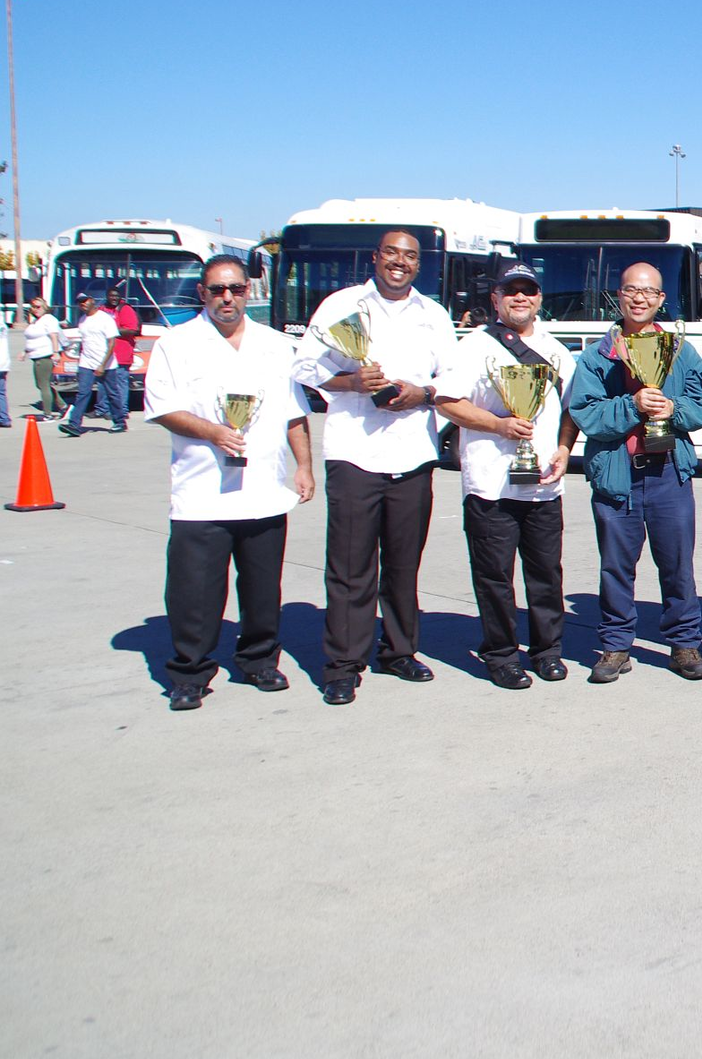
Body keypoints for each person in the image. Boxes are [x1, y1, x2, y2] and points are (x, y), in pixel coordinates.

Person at [142, 255, 316, 710]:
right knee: (194, 592)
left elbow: (294, 412)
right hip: (202, 494)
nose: (227, 298)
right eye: (217, 290)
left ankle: (259, 661)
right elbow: (163, 408)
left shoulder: (276, 345)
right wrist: (214, 432)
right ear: (202, 293)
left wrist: (303, 466)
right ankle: (190, 673)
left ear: (247, 292)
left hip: (262, 490)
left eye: (236, 290)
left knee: (262, 588)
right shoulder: (176, 344)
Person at [292, 229, 457, 706]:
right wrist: (351, 381)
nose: (399, 263)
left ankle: (399, 650)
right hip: (354, 454)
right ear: (376, 258)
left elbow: (451, 380)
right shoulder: (342, 305)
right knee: (350, 567)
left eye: (409, 256)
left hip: (413, 454)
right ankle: (343, 664)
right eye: (392, 254)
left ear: (418, 265)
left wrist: (421, 394)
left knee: (404, 565)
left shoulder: (435, 315)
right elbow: (304, 368)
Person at [568, 261, 702, 684]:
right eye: (631, 290)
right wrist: (631, 406)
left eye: (649, 292)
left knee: (677, 564)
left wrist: (673, 410)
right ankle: (615, 646)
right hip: (618, 476)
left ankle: (685, 644)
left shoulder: (681, 351)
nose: (639, 298)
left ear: (661, 300)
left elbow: (701, 406)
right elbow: (586, 415)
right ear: (619, 295)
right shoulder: (598, 356)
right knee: (616, 566)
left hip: (668, 471)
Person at [434, 263, 579, 690]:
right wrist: (497, 426)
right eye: (511, 290)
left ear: (539, 298)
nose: (520, 298)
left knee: (546, 574)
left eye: (528, 290)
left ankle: (547, 651)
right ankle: (499, 654)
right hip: (490, 483)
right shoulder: (474, 347)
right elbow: (446, 402)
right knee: (494, 575)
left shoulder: (556, 351)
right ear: (495, 298)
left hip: (543, 485)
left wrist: (565, 449)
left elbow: (570, 409)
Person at [60, 294, 120, 437]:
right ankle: (74, 424)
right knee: (83, 393)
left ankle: (119, 421)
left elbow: (112, 343)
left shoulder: (105, 318)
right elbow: (84, 343)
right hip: (86, 362)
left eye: (85, 301)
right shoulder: (82, 321)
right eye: (80, 303)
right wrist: (79, 364)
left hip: (106, 363)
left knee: (112, 393)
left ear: (92, 300)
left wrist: (102, 365)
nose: (83, 304)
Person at [101, 287, 140, 430]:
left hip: (122, 352)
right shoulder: (102, 309)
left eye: (116, 296)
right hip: (105, 354)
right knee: (105, 384)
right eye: (111, 296)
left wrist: (111, 330)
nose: (113, 298)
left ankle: (122, 411)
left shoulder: (125, 309)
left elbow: (132, 329)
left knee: (120, 382)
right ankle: (104, 409)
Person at [22, 296, 64, 419]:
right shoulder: (36, 321)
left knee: (44, 384)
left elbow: (54, 336)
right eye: (33, 307)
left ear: (45, 307)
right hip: (36, 356)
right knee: (40, 384)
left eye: (38, 307)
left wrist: (55, 352)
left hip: (45, 356)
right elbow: (33, 338)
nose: (35, 309)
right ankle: (63, 407)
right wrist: (24, 351)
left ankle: (48, 414)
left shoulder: (48, 319)